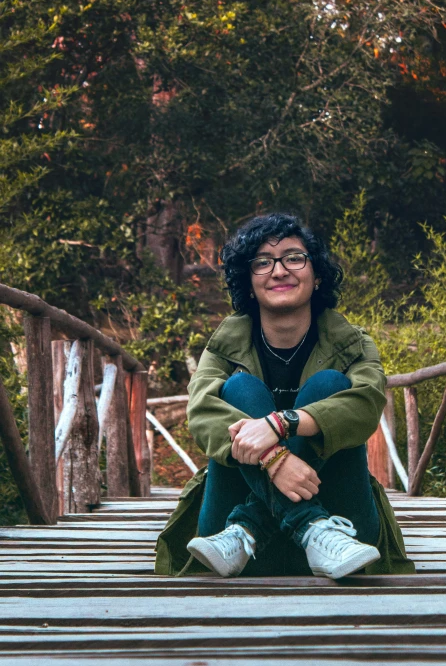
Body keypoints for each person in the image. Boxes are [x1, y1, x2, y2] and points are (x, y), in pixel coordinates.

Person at [154, 213, 415, 579]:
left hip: (343, 537)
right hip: (236, 548)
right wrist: (275, 458)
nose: (279, 271)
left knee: (328, 386)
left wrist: (281, 423)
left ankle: (258, 524)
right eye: (262, 262)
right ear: (247, 283)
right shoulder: (225, 348)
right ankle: (302, 525)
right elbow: (201, 412)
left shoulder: (353, 345)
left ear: (317, 274)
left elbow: (366, 403)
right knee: (240, 389)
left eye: (294, 257)